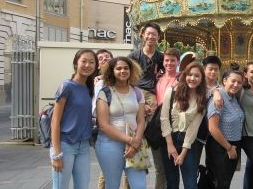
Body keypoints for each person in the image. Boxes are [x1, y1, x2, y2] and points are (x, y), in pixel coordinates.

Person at [95, 57, 147, 189]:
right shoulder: (105, 93)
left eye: (126, 68)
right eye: (118, 68)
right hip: (109, 144)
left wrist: (136, 142)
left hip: (135, 144)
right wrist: (130, 140)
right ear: (112, 71)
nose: (122, 71)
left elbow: (141, 120)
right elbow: (104, 125)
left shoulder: (137, 92)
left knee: (139, 185)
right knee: (112, 185)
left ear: (131, 70)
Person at [50, 49, 97, 189]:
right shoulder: (67, 86)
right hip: (65, 145)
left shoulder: (90, 88)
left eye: (91, 62)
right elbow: (55, 121)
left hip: (83, 146)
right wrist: (56, 153)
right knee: (60, 186)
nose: (87, 65)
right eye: (84, 61)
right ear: (76, 63)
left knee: (83, 185)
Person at [127, 22, 166, 189]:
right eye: (148, 34)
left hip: (155, 97)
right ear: (143, 35)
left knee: (156, 135)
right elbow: (127, 79)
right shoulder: (134, 56)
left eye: (154, 34)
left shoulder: (161, 57)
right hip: (137, 94)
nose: (151, 37)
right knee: (131, 151)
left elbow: (168, 75)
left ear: (158, 37)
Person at [160, 62, 207, 189]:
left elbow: (193, 127)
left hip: (189, 142)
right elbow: (164, 118)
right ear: (184, 75)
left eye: (197, 76)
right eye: (190, 75)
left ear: (201, 79)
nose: (192, 78)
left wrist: (183, 153)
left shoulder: (202, 98)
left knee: (190, 183)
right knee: (172, 181)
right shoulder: (172, 91)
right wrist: (170, 145)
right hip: (169, 138)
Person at [206, 64, 245, 189]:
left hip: (234, 145)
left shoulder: (233, 98)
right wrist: (228, 148)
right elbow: (212, 127)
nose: (236, 85)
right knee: (221, 183)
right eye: (233, 81)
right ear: (224, 81)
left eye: (239, 82)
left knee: (225, 182)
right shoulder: (218, 99)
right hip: (221, 147)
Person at [193, 55, 222, 165]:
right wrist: (213, 92)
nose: (213, 72)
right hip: (196, 133)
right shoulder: (197, 87)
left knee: (212, 166)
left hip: (214, 134)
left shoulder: (222, 89)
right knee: (193, 165)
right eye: (210, 69)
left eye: (216, 69)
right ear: (204, 69)